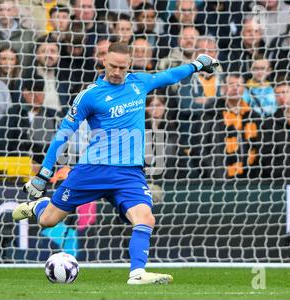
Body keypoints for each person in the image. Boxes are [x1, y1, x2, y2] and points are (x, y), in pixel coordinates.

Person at [11, 41, 219, 284]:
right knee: (47, 220)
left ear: (129, 64)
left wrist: (196, 64)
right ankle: (38, 206)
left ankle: (137, 273)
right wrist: (43, 175)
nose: (117, 72)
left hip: (130, 173)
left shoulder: (139, 82)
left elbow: (169, 76)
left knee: (145, 217)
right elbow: (63, 134)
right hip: (93, 170)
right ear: (104, 62)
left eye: (122, 67)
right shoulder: (90, 95)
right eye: (113, 66)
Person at [0, 76, 57, 167]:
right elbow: (1, 146)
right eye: (31, 91)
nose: (35, 95)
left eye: (39, 91)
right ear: (24, 93)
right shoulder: (12, 115)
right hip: (16, 170)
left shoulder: (53, 116)